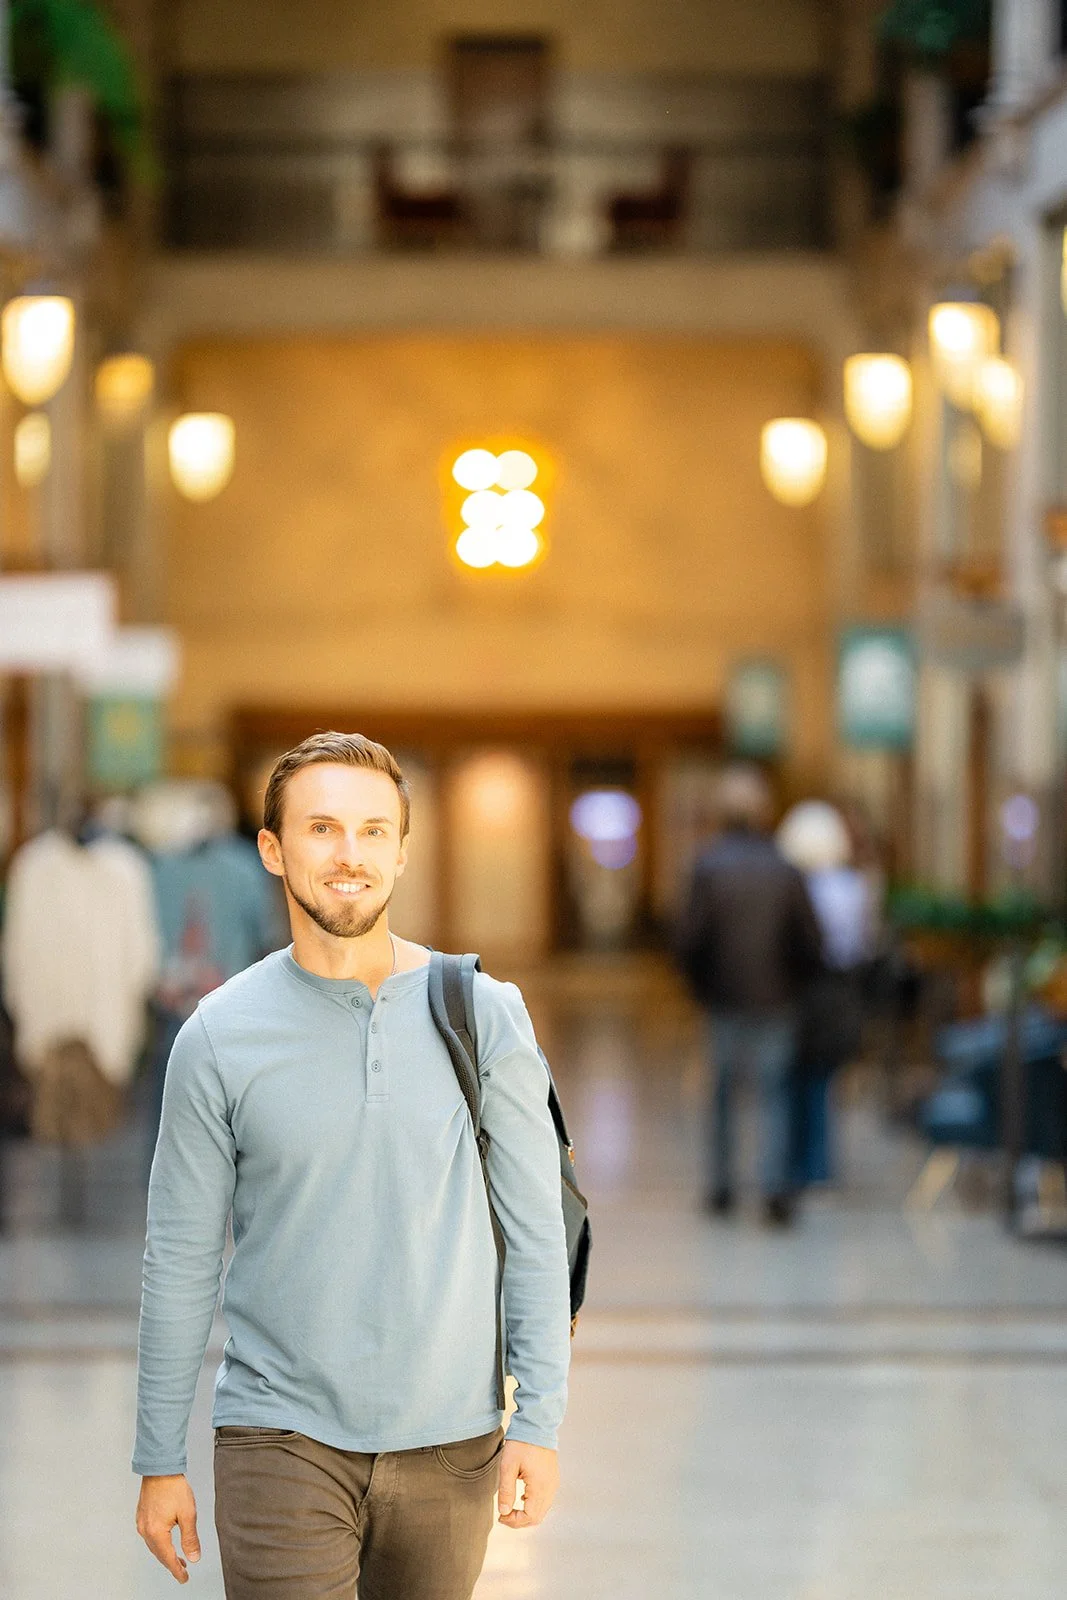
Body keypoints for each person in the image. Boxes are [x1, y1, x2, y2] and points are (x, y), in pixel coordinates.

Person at [133, 731, 571, 1598]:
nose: (349, 855)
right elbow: (178, 1257)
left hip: (454, 1439)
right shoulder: (219, 1037)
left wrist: (541, 1423)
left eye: (375, 832)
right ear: (272, 848)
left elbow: (534, 1233)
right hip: (278, 1434)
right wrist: (157, 1456)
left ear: (403, 853)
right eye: (323, 828)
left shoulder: (485, 1015)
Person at [676, 765, 823, 1226]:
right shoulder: (785, 868)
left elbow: (689, 940)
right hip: (776, 1000)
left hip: (724, 1001)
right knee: (774, 1095)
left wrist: (702, 988)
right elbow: (811, 940)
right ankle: (775, 1189)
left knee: (720, 1095)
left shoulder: (708, 866)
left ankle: (722, 1186)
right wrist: (794, 984)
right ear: (763, 813)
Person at [777, 800, 875, 1191]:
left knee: (796, 1081)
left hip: (803, 993)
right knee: (822, 1084)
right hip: (841, 993)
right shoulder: (855, 888)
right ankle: (820, 1166)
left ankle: (799, 1163)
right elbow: (863, 945)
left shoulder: (796, 888)